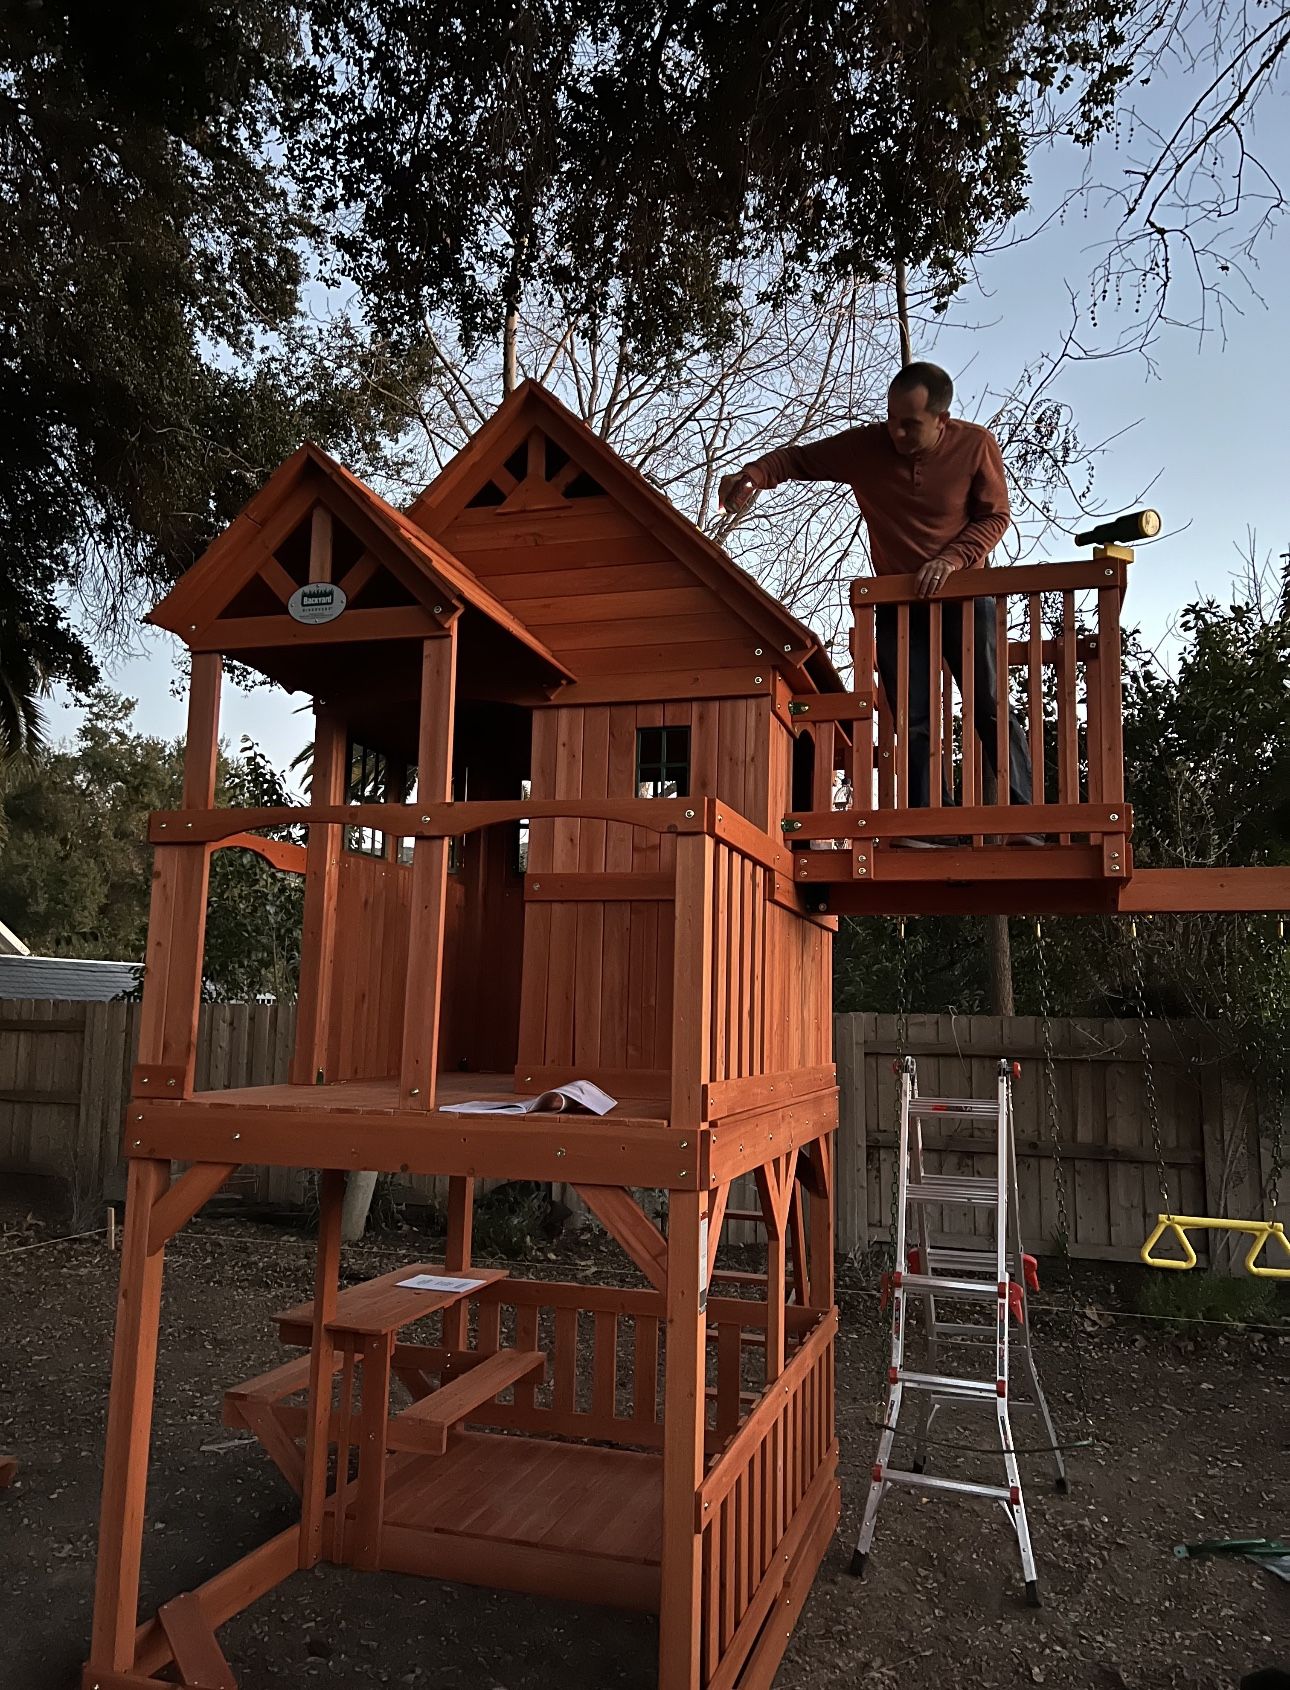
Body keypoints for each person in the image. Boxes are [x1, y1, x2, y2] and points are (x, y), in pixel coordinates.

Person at [718, 362, 1035, 842]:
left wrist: (951, 560)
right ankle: (932, 822)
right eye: (891, 418)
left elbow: (995, 518)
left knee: (987, 702)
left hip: (965, 596)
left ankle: (1022, 815)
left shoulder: (974, 446)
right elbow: (796, 460)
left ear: (941, 421)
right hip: (897, 605)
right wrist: (752, 475)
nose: (897, 431)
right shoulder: (865, 448)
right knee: (914, 712)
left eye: (911, 423)